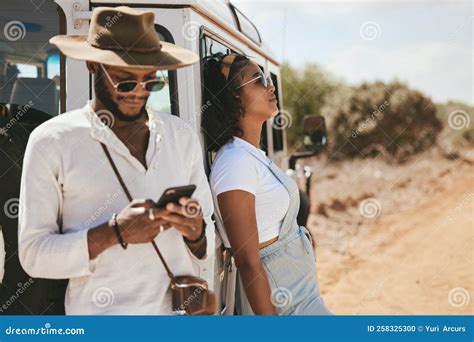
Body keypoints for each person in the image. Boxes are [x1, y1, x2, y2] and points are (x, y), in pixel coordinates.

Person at [18, 6, 215, 315]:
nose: (139, 92)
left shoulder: (182, 135)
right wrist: (115, 233)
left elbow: (208, 234)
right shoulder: (51, 140)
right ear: (93, 66)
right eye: (125, 82)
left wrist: (196, 232)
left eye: (151, 82)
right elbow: (33, 255)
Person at [201, 53, 331, 315]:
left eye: (269, 78)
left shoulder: (252, 154)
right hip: (286, 305)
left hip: (302, 298)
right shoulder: (235, 162)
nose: (270, 86)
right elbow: (248, 262)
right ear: (235, 96)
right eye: (258, 80)